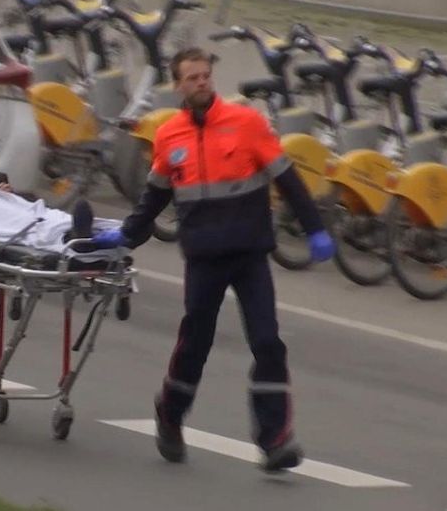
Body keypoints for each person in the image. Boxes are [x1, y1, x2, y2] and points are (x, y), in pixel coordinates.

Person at [91, 47, 336, 472]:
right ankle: (170, 414)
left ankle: (274, 439)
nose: (202, 82)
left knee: (267, 342)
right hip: (204, 258)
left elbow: (288, 179)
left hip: (249, 254)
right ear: (179, 85)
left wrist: (315, 227)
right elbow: (155, 197)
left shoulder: (247, 123)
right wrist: (127, 235)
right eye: (193, 77)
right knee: (195, 345)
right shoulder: (170, 136)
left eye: (206, 75)